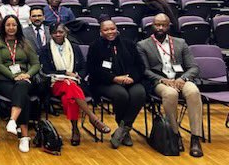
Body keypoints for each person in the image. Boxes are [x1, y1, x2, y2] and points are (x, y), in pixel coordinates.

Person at [136, 13, 203, 157]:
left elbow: (194, 67)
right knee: (170, 94)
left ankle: (195, 138)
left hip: (181, 79)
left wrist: (184, 78)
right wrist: (162, 80)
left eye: (163, 25)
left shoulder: (180, 43)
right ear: (152, 25)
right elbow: (144, 70)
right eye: (157, 24)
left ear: (168, 26)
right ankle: (174, 134)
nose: (160, 28)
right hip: (160, 81)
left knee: (194, 92)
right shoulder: (143, 45)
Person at [39, 23, 111, 146]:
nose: (58, 34)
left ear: (65, 33)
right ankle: (93, 118)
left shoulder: (74, 47)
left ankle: (75, 129)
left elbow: (84, 67)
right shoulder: (45, 49)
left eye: (60, 32)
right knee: (69, 85)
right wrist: (66, 73)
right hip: (55, 82)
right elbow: (46, 70)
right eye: (55, 32)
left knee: (71, 98)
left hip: (75, 82)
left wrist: (77, 75)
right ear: (50, 34)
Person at [87, 18, 146, 149]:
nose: (110, 32)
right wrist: (114, 78)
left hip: (130, 80)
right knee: (121, 94)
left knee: (140, 93)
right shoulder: (95, 46)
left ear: (117, 29)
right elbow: (93, 70)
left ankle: (123, 129)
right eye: (106, 30)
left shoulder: (129, 44)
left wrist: (130, 78)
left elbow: (140, 66)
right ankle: (124, 129)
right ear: (101, 32)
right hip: (105, 82)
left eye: (112, 29)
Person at [0, 15, 40, 153]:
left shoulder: (25, 43)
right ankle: (24, 136)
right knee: (24, 98)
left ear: (18, 27)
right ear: (3, 27)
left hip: (25, 78)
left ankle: (12, 120)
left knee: (22, 86)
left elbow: (36, 64)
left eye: (14, 25)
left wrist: (27, 74)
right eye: (8, 25)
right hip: (4, 80)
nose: (11, 28)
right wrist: (13, 76)